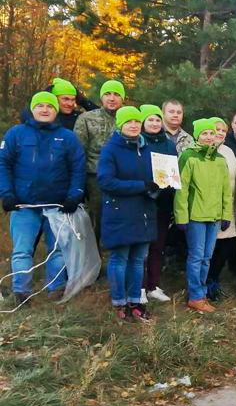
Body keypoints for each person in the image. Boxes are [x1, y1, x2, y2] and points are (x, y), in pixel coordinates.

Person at [0, 92, 86, 304]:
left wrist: (74, 195)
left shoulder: (67, 137)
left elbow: (78, 168)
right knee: (22, 251)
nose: (45, 109)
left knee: (57, 251)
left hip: (57, 206)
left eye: (49, 106)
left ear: (55, 110)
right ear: (32, 109)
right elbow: (3, 164)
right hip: (24, 205)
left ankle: (55, 289)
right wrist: (7, 194)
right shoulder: (16, 134)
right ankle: (22, 292)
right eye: (40, 106)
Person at [97, 106, 158, 322]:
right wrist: (141, 186)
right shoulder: (110, 149)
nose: (134, 125)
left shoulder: (147, 148)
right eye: (128, 122)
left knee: (138, 259)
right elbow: (106, 181)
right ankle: (119, 303)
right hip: (119, 212)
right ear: (120, 125)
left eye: (137, 122)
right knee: (120, 258)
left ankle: (135, 302)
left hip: (143, 212)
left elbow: (155, 179)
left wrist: (161, 184)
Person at [174, 118, 232, 313]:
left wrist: (226, 214)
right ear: (197, 135)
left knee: (207, 257)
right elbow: (181, 189)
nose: (209, 137)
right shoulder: (188, 157)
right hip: (195, 216)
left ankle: (202, 291)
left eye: (212, 133)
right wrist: (181, 217)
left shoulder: (220, 160)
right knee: (196, 256)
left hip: (214, 217)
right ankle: (195, 296)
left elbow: (226, 190)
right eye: (204, 133)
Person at [74, 79, 126, 237]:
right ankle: (95, 258)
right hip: (95, 177)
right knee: (97, 220)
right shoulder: (87, 119)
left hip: (124, 177)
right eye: (108, 94)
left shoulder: (129, 119)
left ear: (122, 98)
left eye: (116, 94)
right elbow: (78, 152)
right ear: (101, 98)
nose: (112, 98)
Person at [139, 104, 177, 303]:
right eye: (150, 120)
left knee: (158, 245)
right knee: (142, 247)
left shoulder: (168, 143)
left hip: (163, 201)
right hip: (143, 200)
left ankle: (153, 285)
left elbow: (173, 168)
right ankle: (140, 286)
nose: (154, 123)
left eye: (157, 120)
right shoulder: (138, 142)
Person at [206, 117, 236, 299]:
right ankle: (205, 283)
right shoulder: (201, 151)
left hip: (229, 206)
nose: (219, 133)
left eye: (222, 130)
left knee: (225, 245)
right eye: (215, 129)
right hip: (209, 207)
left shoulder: (228, 151)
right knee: (209, 247)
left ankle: (214, 279)